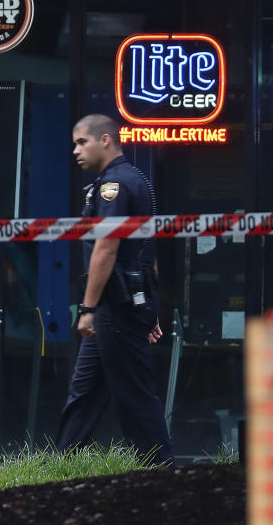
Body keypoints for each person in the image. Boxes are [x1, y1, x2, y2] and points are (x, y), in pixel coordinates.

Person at [56, 114, 174, 465]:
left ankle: (160, 467)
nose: (76, 150)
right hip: (127, 302)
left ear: (105, 140)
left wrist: (87, 308)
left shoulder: (116, 185)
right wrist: (149, 306)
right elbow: (146, 247)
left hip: (116, 306)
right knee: (86, 389)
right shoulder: (129, 179)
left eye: (82, 142)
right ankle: (64, 463)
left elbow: (106, 247)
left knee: (133, 392)